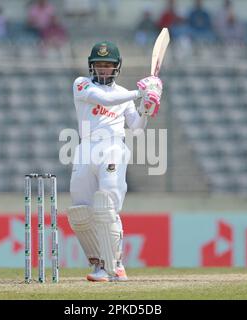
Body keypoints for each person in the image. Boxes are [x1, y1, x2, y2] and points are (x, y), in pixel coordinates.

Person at [66, 41, 163, 282]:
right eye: (98, 65)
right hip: (85, 148)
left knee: (106, 206)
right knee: (80, 211)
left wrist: (147, 108)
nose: (103, 70)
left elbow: (137, 128)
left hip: (112, 148)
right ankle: (100, 266)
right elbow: (104, 100)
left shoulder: (124, 95)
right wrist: (141, 92)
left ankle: (116, 265)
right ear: (91, 66)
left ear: (116, 67)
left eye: (108, 65)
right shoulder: (82, 84)